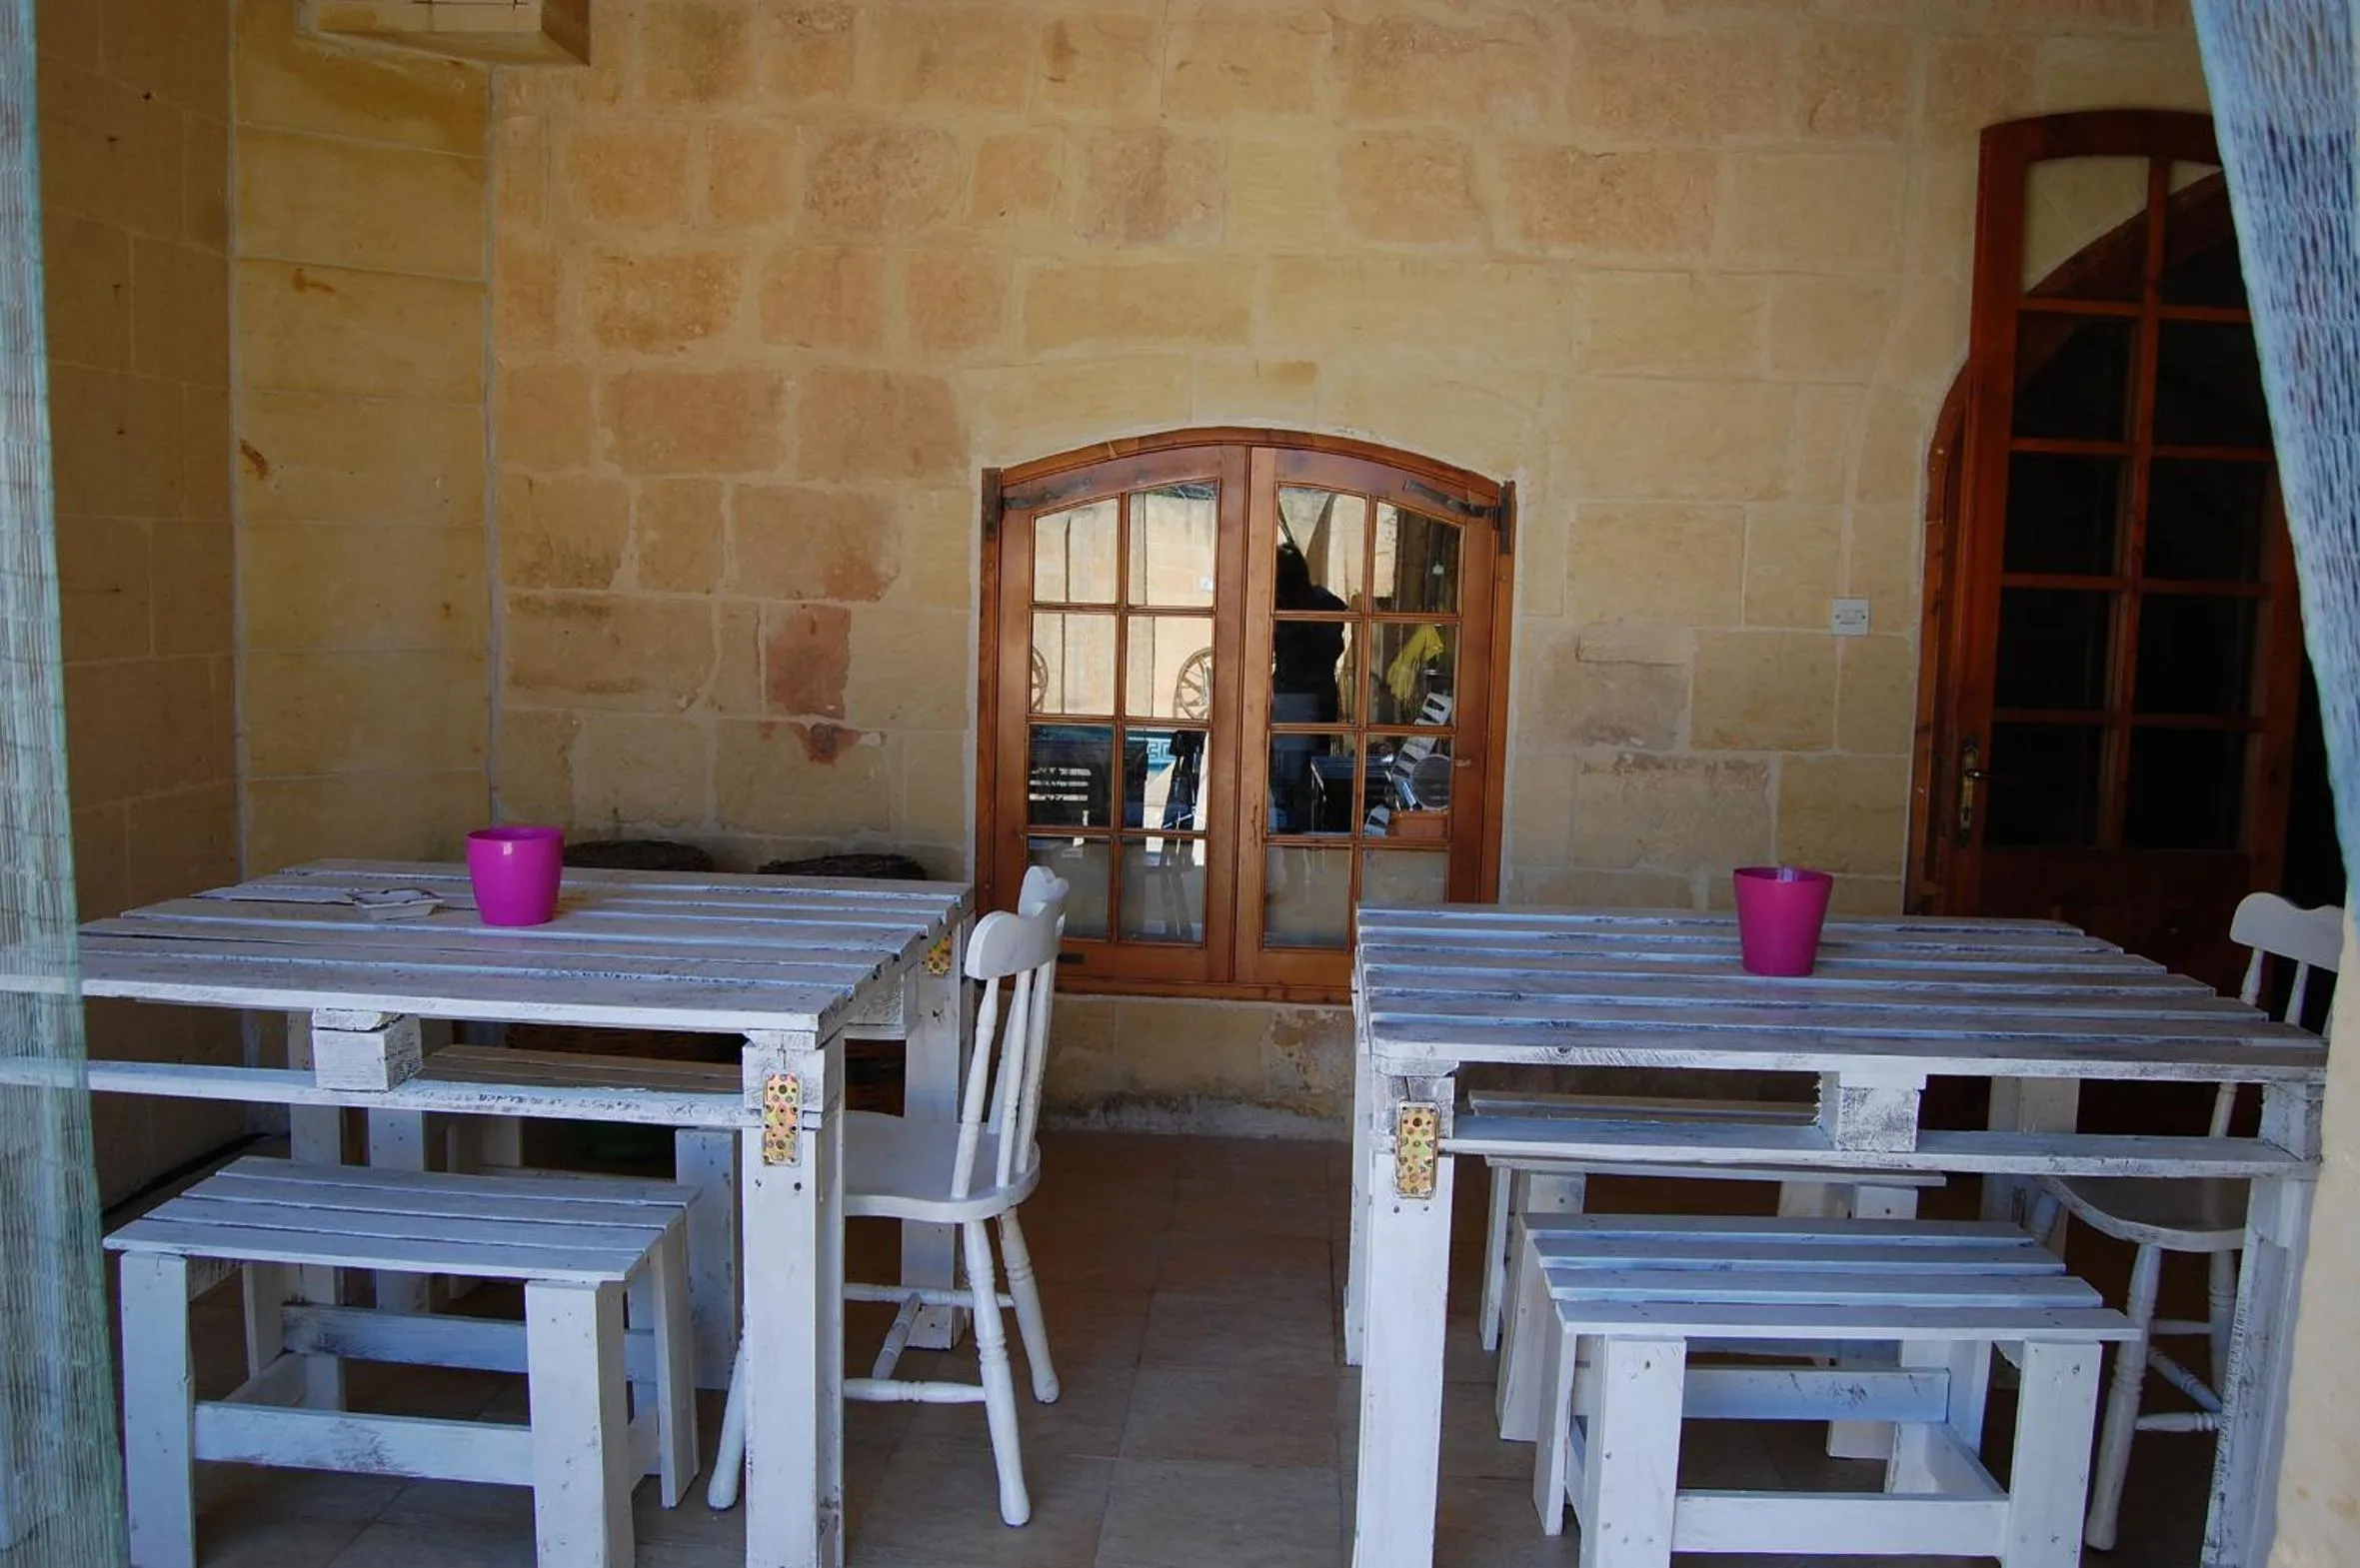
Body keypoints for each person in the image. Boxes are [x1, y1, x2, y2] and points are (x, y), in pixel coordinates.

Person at [1269, 542, 1346, 831]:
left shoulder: (1282, 606)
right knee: (1314, 772)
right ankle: (1309, 834)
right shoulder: (1325, 602)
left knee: (1291, 778)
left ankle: (1290, 833)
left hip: (1293, 697)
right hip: (1321, 695)